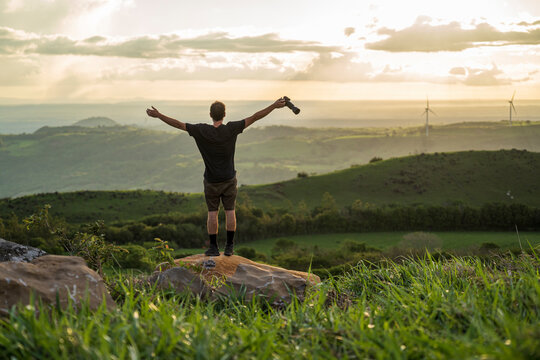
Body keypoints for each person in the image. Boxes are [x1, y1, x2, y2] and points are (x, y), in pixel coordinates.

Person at [146, 98, 287, 256]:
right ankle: (229, 247)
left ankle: (213, 247)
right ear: (224, 115)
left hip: (211, 180)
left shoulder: (201, 130)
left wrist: (159, 115)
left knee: (212, 213)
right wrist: (274, 106)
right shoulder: (232, 128)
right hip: (229, 179)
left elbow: (178, 124)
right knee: (230, 211)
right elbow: (255, 117)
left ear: (210, 114)